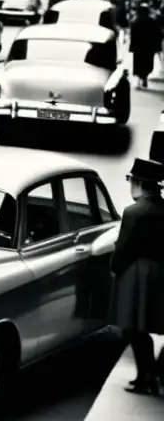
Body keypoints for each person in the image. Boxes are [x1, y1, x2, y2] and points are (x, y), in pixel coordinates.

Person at [109, 157, 164, 394]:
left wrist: (115, 268)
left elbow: (124, 248)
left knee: (132, 327)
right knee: (147, 326)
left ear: (139, 182)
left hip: (137, 274)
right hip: (161, 273)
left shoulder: (134, 212)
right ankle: (150, 374)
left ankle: (146, 375)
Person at [130, 4, 162, 89]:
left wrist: (132, 47)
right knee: (147, 65)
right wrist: (157, 47)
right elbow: (158, 34)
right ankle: (144, 78)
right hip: (149, 48)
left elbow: (133, 36)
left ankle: (140, 79)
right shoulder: (152, 22)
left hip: (138, 48)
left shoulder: (136, 22)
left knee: (138, 65)